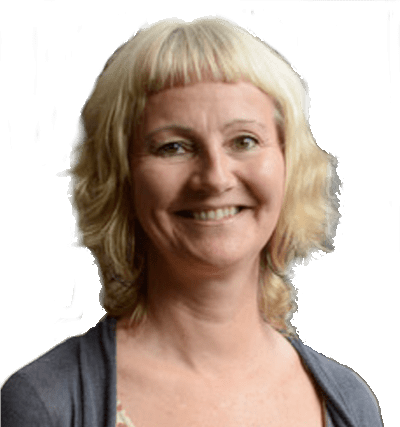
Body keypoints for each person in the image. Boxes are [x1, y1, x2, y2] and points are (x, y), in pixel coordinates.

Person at [0, 15, 383, 427]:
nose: (215, 178)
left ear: (291, 166)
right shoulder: (46, 404)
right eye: (174, 147)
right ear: (119, 176)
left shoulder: (349, 402)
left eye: (245, 141)